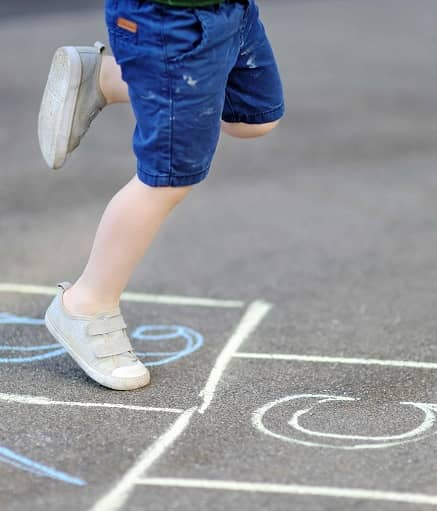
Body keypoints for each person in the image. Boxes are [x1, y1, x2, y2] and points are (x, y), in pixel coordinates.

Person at [39, 0, 285, 391]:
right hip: (169, 24)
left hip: (230, 13)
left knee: (253, 116)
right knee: (168, 177)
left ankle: (107, 77)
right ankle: (86, 302)